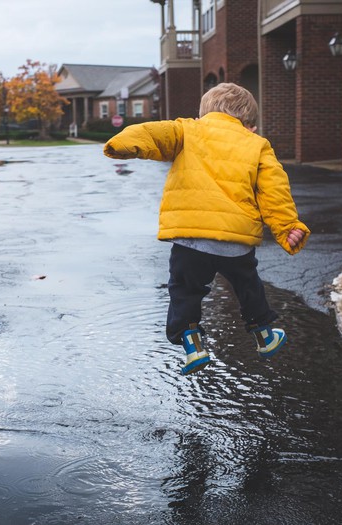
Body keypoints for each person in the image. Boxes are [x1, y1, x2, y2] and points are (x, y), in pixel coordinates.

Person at [103, 83, 310, 376]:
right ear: (249, 124)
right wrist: (287, 227)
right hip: (234, 241)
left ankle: (193, 344)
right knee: (248, 285)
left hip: (190, 239)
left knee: (185, 290)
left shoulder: (188, 130)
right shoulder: (257, 144)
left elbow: (152, 133)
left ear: (203, 114)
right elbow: (274, 191)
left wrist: (122, 143)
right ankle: (264, 335)